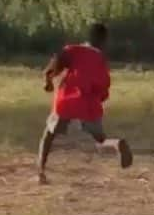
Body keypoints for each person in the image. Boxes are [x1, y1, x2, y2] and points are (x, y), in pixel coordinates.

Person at [37, 22, 133, 184]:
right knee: (101, 140)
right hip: (89, 103)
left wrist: (48, 79)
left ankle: (41, 172)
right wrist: (100, 98)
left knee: (49, 135)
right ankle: (117, 144)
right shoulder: (100, 58)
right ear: (104, 41)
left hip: (67, 99)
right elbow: (104, 84)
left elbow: (58, 59)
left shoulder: (74, 50)